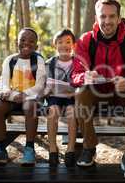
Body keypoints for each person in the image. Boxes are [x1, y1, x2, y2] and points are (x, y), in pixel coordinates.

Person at [71, 0, 125, 179]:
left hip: (123, 95)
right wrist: (86, 76)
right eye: (103, 16)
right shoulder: (85, 41)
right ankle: (89, 148)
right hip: (98, 96)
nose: (107, 21)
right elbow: (74, 74)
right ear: (97, 18)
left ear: (119, 18)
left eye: (111, 16)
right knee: (80, 91)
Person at [0, 27, 46, 165]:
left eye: (31, 41)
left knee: (30, 106)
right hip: (13, 96)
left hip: (31, 97)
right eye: (23, 40)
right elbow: (5, 83)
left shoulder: (38, 60)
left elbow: (40, 85)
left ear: (36, 46)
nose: (27, 43)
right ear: (16, 42)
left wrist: (25, 95)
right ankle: (0, 148)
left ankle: (29, 148)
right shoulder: (10, 60)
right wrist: (12, 94)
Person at [44, 29, 77, 167]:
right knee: (52, 113)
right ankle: (52, 149)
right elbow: (45, 84)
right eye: (60, 42)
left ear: (74, 45)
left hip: (72, 96)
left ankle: (70, 149)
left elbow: (81, 82)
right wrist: (46, 91)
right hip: (54, 96)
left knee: (72, 113)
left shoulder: (77, 63)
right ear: (55, 45)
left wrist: (74, 91)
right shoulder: (50, 63)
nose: (64, 45)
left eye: (68, 42)